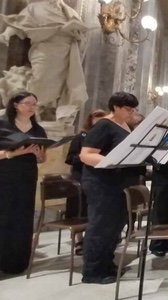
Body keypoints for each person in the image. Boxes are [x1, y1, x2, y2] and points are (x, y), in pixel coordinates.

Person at [79, 92, 139, 284]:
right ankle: (93, 271)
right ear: (116, 107)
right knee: (100, 227)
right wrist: (114, 161)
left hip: (118, 183)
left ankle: (107, 263)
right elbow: (86, 155)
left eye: (133, 109)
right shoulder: (104, 125)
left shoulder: (124, 126)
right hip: (101, 183)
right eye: (128, 109)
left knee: (114, 227)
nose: (132, 113)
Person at [0, 0, 89, 120]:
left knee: (59, 84)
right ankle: (27, 109)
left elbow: (81, 33)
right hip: (45, 49)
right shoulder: (35, 8)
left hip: (65, 52)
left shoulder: (69, 12)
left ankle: (42, 110)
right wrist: (6, 34)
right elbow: (18, 23)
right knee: (39, 78)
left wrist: (78, 36)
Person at [0, 92, 47, 274]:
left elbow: (42, 160)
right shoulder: (3, 125)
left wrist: (38, 155)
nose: (32, 107)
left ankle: (17, 261)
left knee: (23, 217)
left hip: (27, 177)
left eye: (35, 104)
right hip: (4, 176)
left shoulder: (38, 130)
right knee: (4, 216)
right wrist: (13, 154)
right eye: (27, 103)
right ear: (15, 105)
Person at [65, 109, 106, 256]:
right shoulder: (80, 137)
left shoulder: (103, 138)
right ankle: (79, 240)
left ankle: (91, 238)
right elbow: (70, 158)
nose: (99, 121)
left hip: (97, 176)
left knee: (92, 209)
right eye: (96, 118)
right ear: (90, 120)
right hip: (80, 176)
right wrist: (86, 158)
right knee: (79, 208)